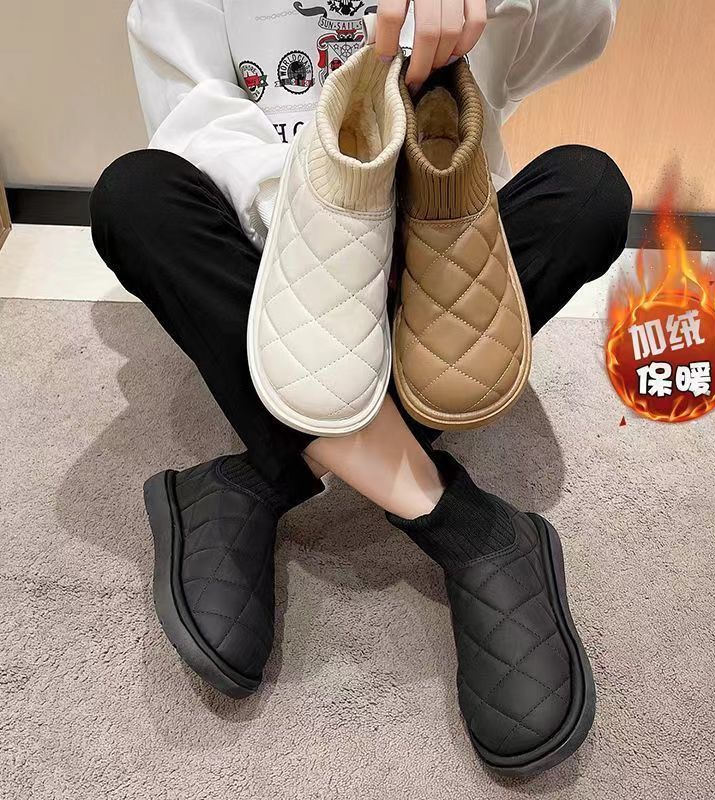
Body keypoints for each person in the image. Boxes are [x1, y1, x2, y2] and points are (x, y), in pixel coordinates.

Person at [90, 0, 631, 775]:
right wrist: (333, 219)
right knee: (134, 196)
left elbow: (584, 26)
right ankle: (462, 522)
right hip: (278, 270)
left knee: (589, 191)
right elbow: (189, 113)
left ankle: (265, 475)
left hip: (441, 267)